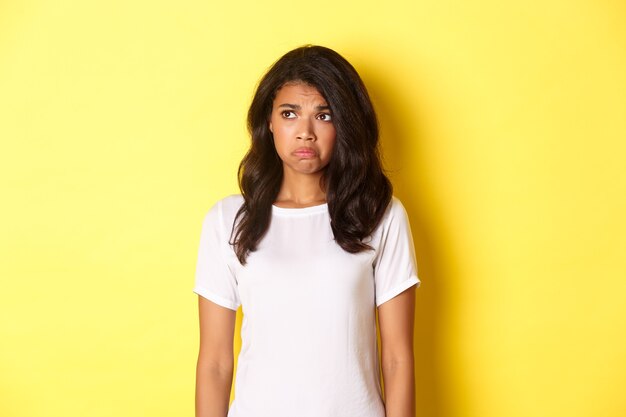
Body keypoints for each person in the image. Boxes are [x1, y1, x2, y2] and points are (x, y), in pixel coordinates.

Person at [193, 45, 421, 417]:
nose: (305, 133)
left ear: (344, 124)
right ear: (269, 122)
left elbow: (397, 358)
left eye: (324, 115)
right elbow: (215, 362)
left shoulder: (379, 215)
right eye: (289, 114)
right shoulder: (228, 220)